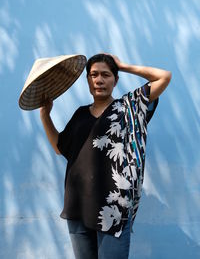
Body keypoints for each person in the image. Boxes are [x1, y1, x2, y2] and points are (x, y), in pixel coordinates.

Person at [40, 53, 171, 259]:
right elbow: (59, 147)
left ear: (115, 80)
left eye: (106, 74)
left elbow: (163, 77)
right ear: (88, 81)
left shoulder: (129, 107)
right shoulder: (80, 114)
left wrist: (123, 66)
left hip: (114, 209)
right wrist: (45, 115)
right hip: (77, 206)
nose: (99, 80)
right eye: (93, 75)